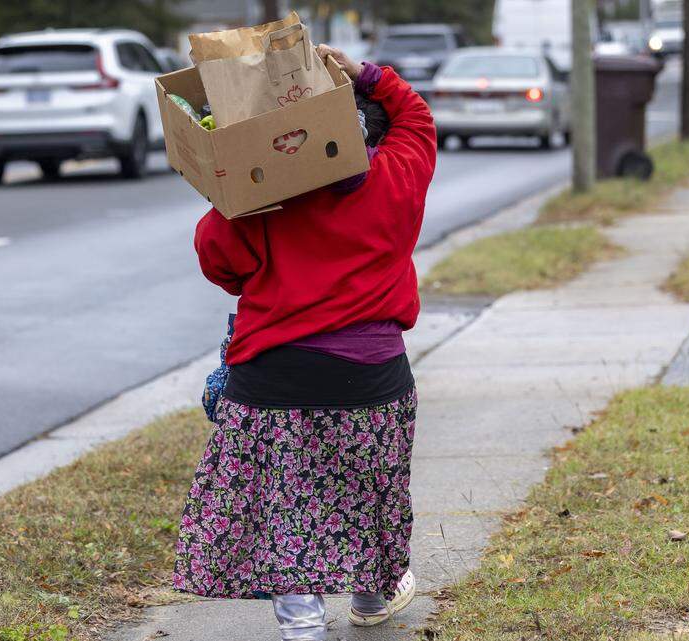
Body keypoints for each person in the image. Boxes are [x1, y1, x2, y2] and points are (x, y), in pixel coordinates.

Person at [172, 44, 437, 640]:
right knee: (370, 486)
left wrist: (236, 189)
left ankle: (302, 622)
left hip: (275, 375)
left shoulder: (261, 198)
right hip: (373, 376)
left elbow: (221, 265)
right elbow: (417, 116)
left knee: (285, 500)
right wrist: (366, 73)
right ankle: (372, 596)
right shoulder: (399, 173)